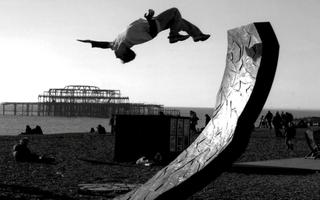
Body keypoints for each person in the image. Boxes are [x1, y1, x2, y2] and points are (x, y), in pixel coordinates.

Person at [78, 7, 210, 63]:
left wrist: (89, 42)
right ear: (124, 51)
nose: (115, 56)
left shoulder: (116, 45)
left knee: (180, 21)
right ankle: (174, 35)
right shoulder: (133, 39)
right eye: (119, 57)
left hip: (154, 21)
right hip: (157, 23)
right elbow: (152, 34)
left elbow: (103, 45)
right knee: (175, 12)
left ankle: (197, 35)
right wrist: (150, 18)